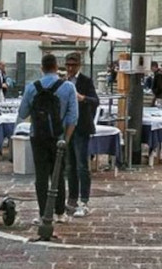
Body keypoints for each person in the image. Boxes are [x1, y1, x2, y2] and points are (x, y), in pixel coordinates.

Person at [17, 54, 78, 228]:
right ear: (57, 67)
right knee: (58, 174)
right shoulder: (68, 87)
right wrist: (65, 139)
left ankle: (44, 213)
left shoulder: (32, 87)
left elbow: (22, 113)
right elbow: (73, 117)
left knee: (41, 176)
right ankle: (59, 212)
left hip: (38, 136)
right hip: (59, 137)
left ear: (42, 68)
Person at [64, 52, 99, 218]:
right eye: (68, 65)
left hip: (81, 128)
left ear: (79, 65)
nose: (70, 68)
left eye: (73, 65)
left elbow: (95, 101)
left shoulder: (85, 81)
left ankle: (84, 200)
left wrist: (83, 98)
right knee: (69, 165)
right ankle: (72, 198)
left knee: (81, 166)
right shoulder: (63, 81)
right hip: (67, 128)